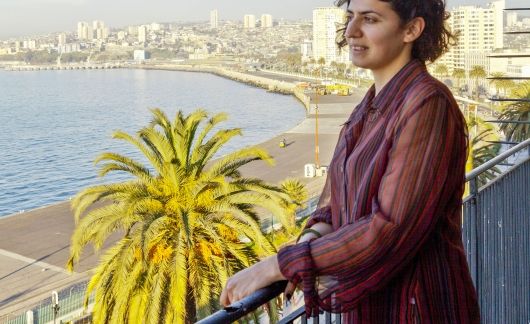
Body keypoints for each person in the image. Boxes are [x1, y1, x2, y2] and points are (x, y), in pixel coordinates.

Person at [220, 0, 480, 322]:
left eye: (369, 19)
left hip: (418, 307)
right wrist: (312, 236)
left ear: (412, 29)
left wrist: (280, 264)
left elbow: (389, 228)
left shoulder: (427, 105)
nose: (351, 31)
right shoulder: (371, 105)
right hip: (375, 308)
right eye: (349, 17)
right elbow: (336, 200)